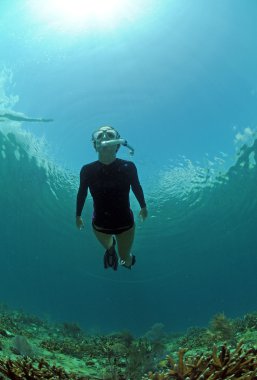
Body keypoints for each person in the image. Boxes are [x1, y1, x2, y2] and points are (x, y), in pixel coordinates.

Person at [76, 126, 148, 270]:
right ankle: (110, 250)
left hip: (125, 226)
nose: (104, 137)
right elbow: (82, 193)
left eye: (109, 134)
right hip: (99, 226)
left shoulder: (129, 166)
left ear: (117, 144)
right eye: (99, 135)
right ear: (95, 145)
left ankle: (127, 261)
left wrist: (143, 206)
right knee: (109, 248)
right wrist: (77, 215)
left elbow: (136, 187)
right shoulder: (87, 170)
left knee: (124, 259)